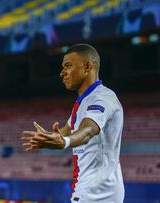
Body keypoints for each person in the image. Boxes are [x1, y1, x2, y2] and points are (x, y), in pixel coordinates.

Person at [22, 44, 125, 202]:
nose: (62, 73)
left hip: (97, 193)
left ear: (87, 66)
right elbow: (68, 130)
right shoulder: (84, 101)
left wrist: (64, 142)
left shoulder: (102, 98)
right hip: (95, 190)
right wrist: (48, 137)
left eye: (68, 66)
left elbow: (87, 130)